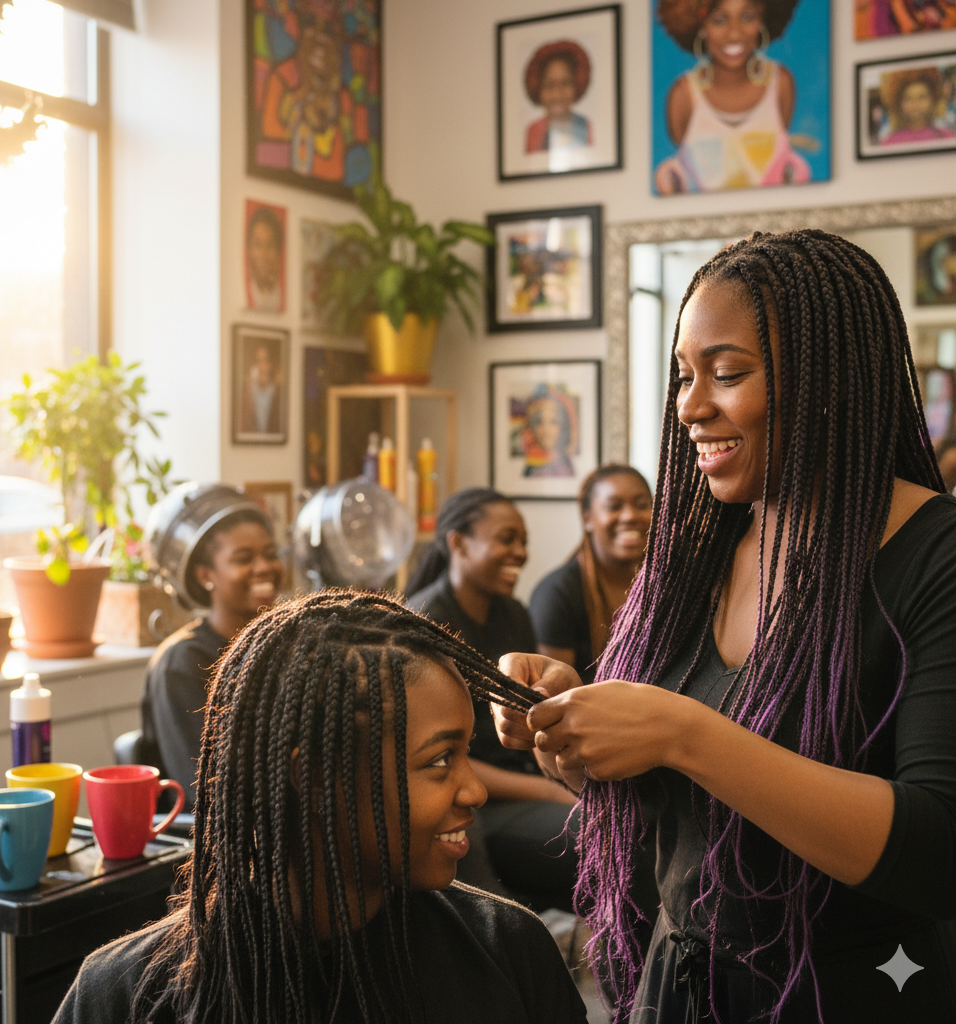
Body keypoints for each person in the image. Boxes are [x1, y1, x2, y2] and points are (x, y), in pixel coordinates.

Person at [494, 230, 956, 1021]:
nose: (691, 406)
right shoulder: (700, 556)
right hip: (681, 991)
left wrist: (685, 733)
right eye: (683, 376)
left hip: (861, 993)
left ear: (827, 380)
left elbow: (937, 849)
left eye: (727, 373)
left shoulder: (934, 556)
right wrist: (580, 735)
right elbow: (667, 814)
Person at [53, 591, 589, 1024]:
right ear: (310, 776)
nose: (475, 790)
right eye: (440, 760)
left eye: (465, 753)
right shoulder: (125, 996)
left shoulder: (507, 952)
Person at [405, 488, 578, 913]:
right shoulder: (423, 622)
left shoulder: (513, 614)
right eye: (506, 539)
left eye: (523, 541)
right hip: (474, 802)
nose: (520, 552)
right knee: (600, 837)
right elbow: (438, 759)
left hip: (525, 785)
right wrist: (549, 792)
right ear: (458, 543)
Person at [141, 503, 284, 809]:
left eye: (271, 554)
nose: (264, 567)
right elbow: (206, 788)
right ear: (206, 575)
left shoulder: (284, 646)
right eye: (243, 559)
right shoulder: (182, 664)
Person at [654, 0, 811, 194]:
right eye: (719, 20)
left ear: (762, 21)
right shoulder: (683, 96)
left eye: (747, 17)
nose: (735, 33)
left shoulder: (781, 84)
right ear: (700, 26)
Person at [530, 465, 652, 683]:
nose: (630, 516)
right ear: (588, 519)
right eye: (614, 506)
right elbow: (554, 696)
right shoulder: (556, 594)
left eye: (642, 505)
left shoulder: (663, 584)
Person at [524, 40, 593, 155]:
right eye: (549, 85)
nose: (557, 94)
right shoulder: (533, 131)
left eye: (565, 84)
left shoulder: (586, 127)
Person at [880, 68, 956, 144]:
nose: (915, 104)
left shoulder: (945, 136)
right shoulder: (891, 142)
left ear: (933, 99)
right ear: (899, 103)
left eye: (922, 97)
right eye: (908, 98)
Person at [521, 385, 577, 478]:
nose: (546, 430)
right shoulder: (530, 465)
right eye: (539, 422)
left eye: (553, 422)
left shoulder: (566, 466)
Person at [238, 342, 283, 436]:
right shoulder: (248, 393)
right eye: (258, 361)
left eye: (265, 361)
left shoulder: (277, 394)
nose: (261, 367)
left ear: (270, 365)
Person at [245, 204, 285, 311]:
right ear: (249, 250)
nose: (263, 254)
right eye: (257, 244)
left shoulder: (283, 296)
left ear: (278, 251)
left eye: (270, 245)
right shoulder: (242, 293)